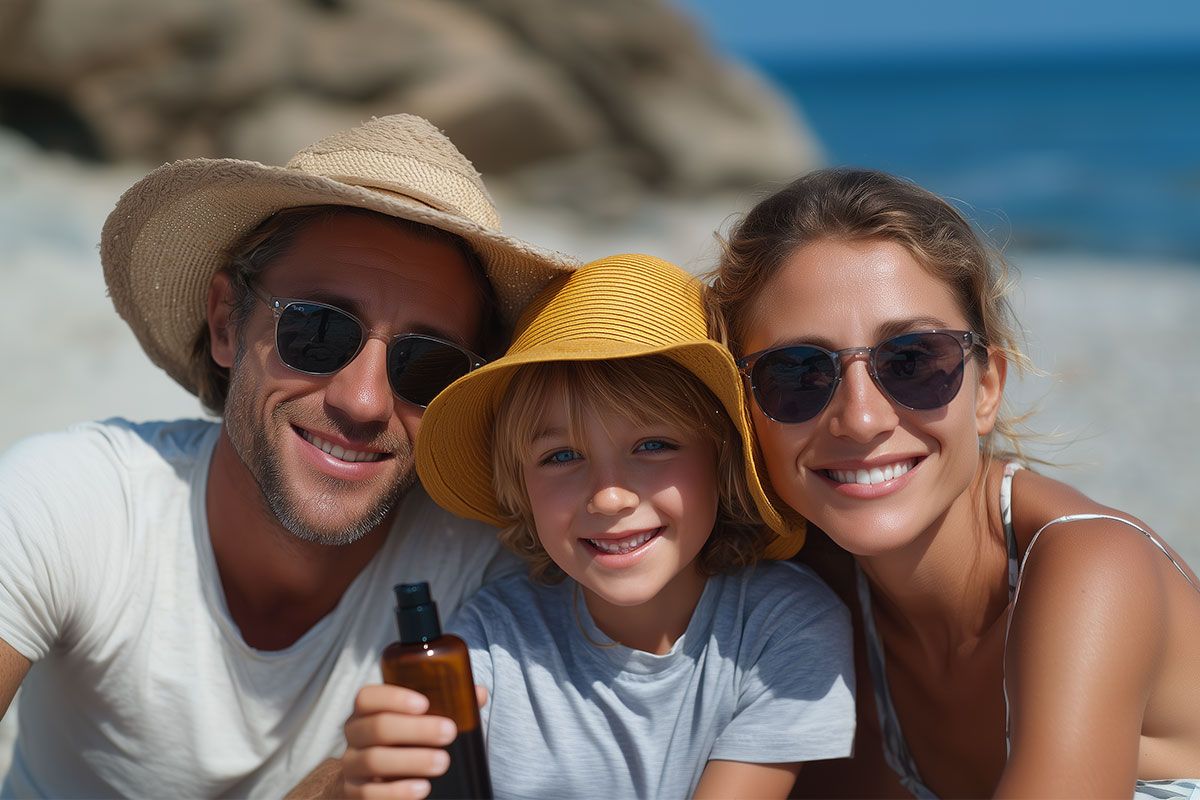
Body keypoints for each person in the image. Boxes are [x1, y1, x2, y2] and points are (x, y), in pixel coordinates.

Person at [0, 114, 577, 798]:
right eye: (318, 330)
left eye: (426, 365)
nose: (363, 401)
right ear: (224, 323)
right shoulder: (72, 502)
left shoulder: (489, 566)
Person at [707, 167, 1200, 799]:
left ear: (987, 386)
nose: (861, 419)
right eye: (797, 373)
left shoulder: (1092, 568)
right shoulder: (813, 604)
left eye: (912, 361)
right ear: (741, 410)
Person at [336, 254, 856, 799]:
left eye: (653, 445)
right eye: (561, 456)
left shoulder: (785, 627)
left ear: (721, 462)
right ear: (521, 487)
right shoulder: (495, 633)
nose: (609, 497)